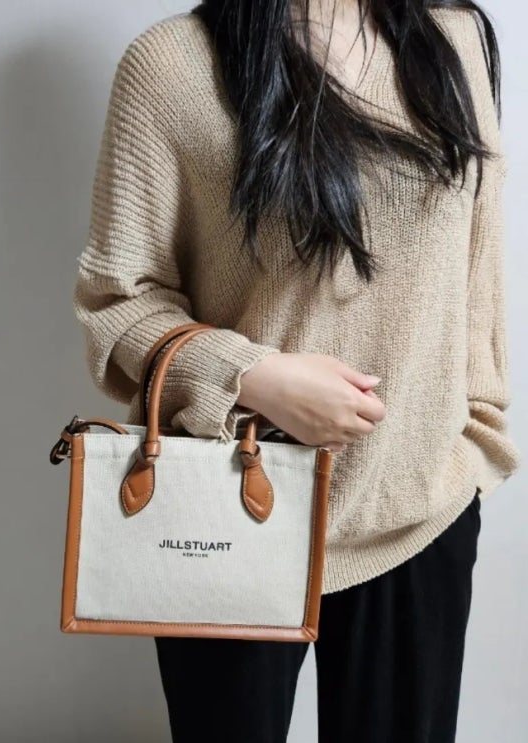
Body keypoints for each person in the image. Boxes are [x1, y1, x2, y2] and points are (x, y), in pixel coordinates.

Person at [71, 0, 522, 740]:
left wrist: (473, 434)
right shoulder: (172, 65)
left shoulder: (453, 38)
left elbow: (477, 260)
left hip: (420, 508)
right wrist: (250, 377)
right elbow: (118, 297)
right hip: (226, 509)